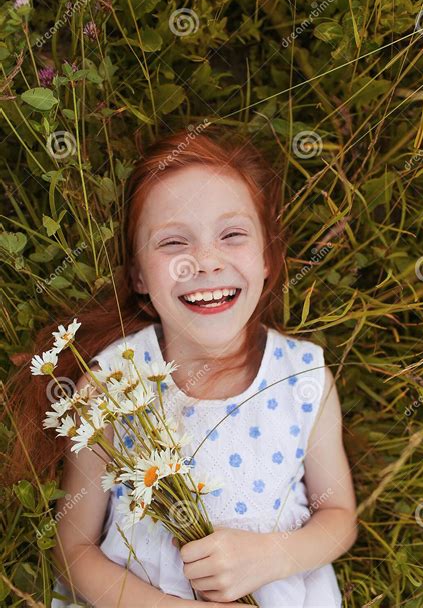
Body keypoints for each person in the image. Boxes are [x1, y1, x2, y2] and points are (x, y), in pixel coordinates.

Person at [6, 128, 357, 607]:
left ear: (268, 258)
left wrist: (272, 556)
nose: (205, 262)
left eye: (232, 235)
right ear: (139, 278)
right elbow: (73, 548)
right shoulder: (111, 385)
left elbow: (337, 516)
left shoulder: (302, 377)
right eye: (173, 243)